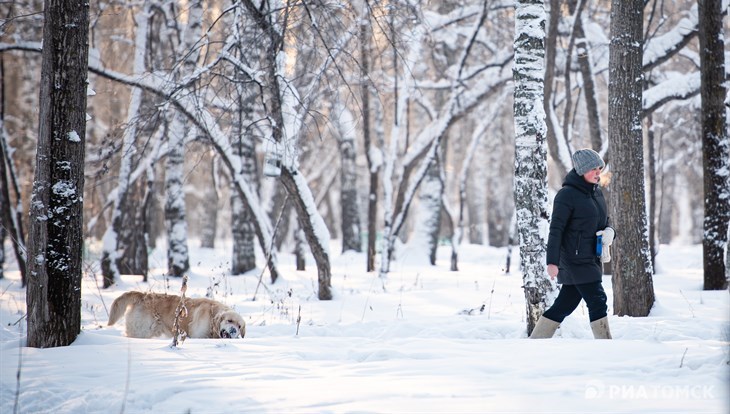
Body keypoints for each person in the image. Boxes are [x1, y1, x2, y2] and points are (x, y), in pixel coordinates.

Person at [530, 148, 615, 339]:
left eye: (599, 168)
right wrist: (552, 262)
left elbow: (604, 222)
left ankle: (536, 341)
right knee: (597, 300)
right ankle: (607, 345)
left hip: (591, 257)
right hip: (573, 259)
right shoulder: (566, 195)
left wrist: (611, 232)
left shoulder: (596, 193)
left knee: (565, 303)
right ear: (582, 170)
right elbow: (556, 230)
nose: (598, 172)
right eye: (593, 169)